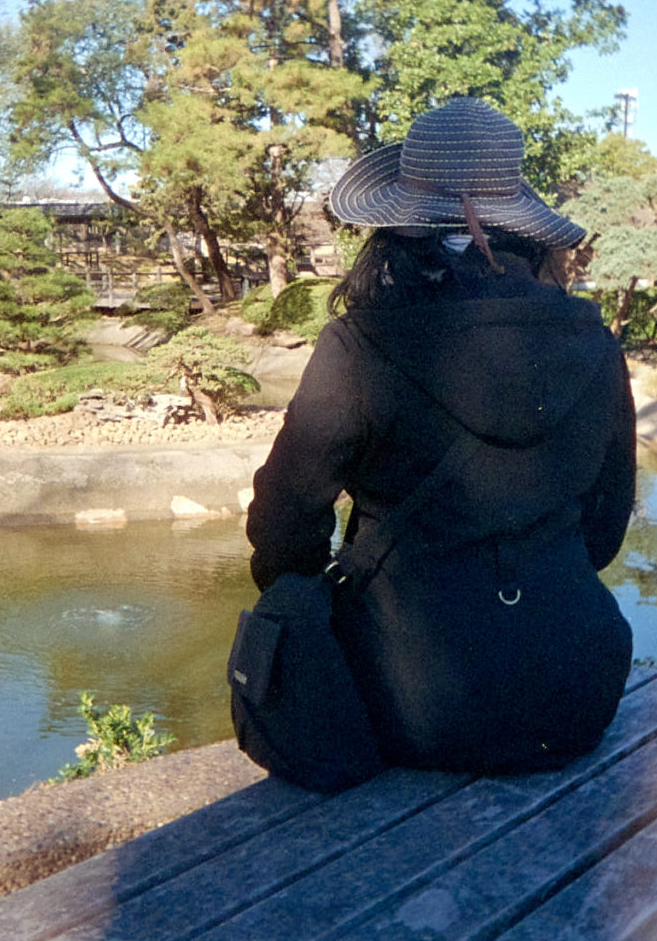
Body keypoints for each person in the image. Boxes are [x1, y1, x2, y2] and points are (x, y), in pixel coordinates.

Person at [245, 96, 635, 776]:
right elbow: (602, 530)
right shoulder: (593, 343)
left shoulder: (361, 342)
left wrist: (314, 595)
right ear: (521, 223)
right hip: (575, 694)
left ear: (401, 223)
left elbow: (283, 521)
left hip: (407, 705)